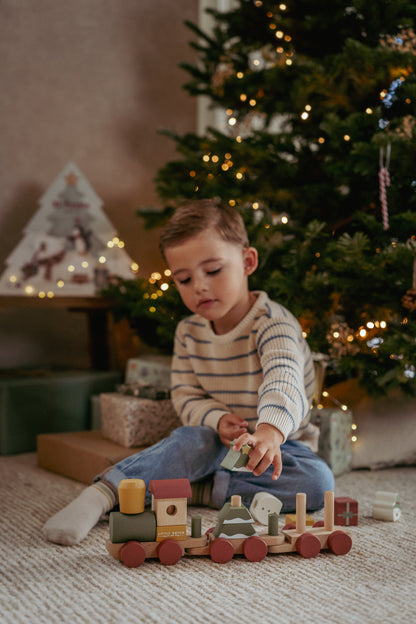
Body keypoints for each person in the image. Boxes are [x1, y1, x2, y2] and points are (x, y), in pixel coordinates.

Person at [42, 200, 334, 546]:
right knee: (189, 441)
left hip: (280, 447)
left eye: (213, 271)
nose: (199, 286)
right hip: (214, 442)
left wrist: (270, 432)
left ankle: (197, 488)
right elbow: (185, 393)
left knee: (318, 482)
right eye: (184, 279)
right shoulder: (189, 332)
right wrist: (216, 418)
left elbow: (283, 377)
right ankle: (103, 494)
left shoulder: (273, 324)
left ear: (247, 261)